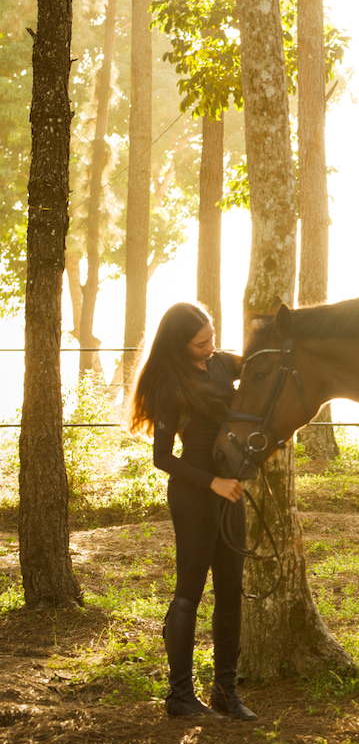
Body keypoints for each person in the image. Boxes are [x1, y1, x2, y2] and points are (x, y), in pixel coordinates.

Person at [128, 302, 257, 722]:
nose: (210, 346)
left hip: (230, 491)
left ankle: (226, 691)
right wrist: (212, 482)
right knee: (190, 591)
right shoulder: (169, 384)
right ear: (181, 345)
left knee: (230, 592)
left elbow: (260, 366)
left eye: (212, 336)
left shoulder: (221, 364)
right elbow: (162, 458)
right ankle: (180, 695)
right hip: (194, 492)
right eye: (201, 343)